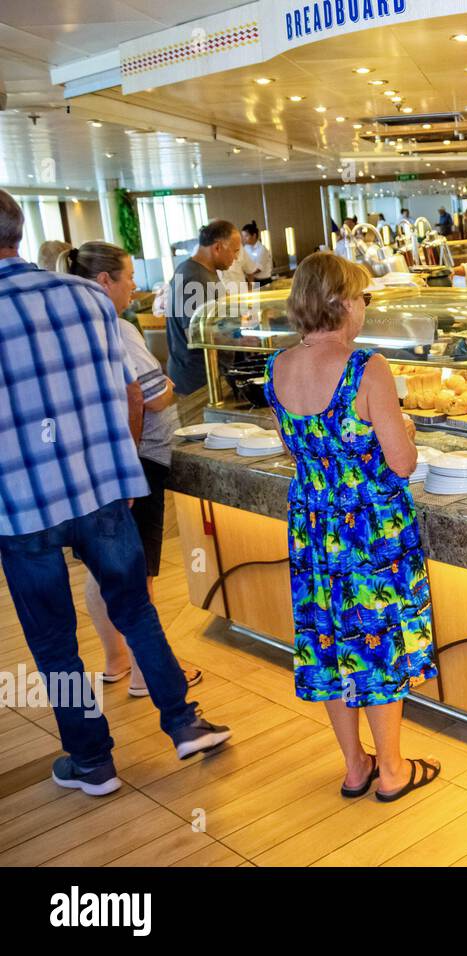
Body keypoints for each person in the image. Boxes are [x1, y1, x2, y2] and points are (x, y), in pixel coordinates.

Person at [0, 190, 230, 797]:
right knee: (136, 607)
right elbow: (124, 390)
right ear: (19, 231)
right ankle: (183, 723)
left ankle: (92, 759)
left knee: (53, 642)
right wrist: (124, 466)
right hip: (101, 485)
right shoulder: (85, 296)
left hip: (20, 504)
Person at [263, 252, 440, 802]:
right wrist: (402, 427)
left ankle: (354, 766)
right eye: (362, 296)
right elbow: (403, 462)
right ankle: (392, 770)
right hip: (369, 531)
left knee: (329, 641)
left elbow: (298, 445)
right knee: (376, 641)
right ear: (341, 302)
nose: (364, 307)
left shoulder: (278, 366)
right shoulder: (368, 368)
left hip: (312, 529)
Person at [60, 241, 203, 698]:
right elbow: (150, 394)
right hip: (135, 460)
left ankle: (117, 661)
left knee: (100, 570)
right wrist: (165, 389)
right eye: (127, 277)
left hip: (92, 462)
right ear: (105, 282)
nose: (134, 286)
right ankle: (149, 673)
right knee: (137, 573)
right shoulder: (116, 326)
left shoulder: (68, 320)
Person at [165, 219, 241, 425]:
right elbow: (196, 333)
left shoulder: (201, 273)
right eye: (234, 251)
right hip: (197, 380)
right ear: (217, 247)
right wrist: (244, 341)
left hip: (207, 376)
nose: (236, 258)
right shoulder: (194, 277)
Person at [238, 221, 274, 286]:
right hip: (251, 280)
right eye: (243, 236)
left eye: (246, 236)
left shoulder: (262, 250)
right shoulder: (245, 248)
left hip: (264, 281)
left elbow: (258, 269)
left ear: (254, 235)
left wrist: (245, 273)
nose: (243, 239)